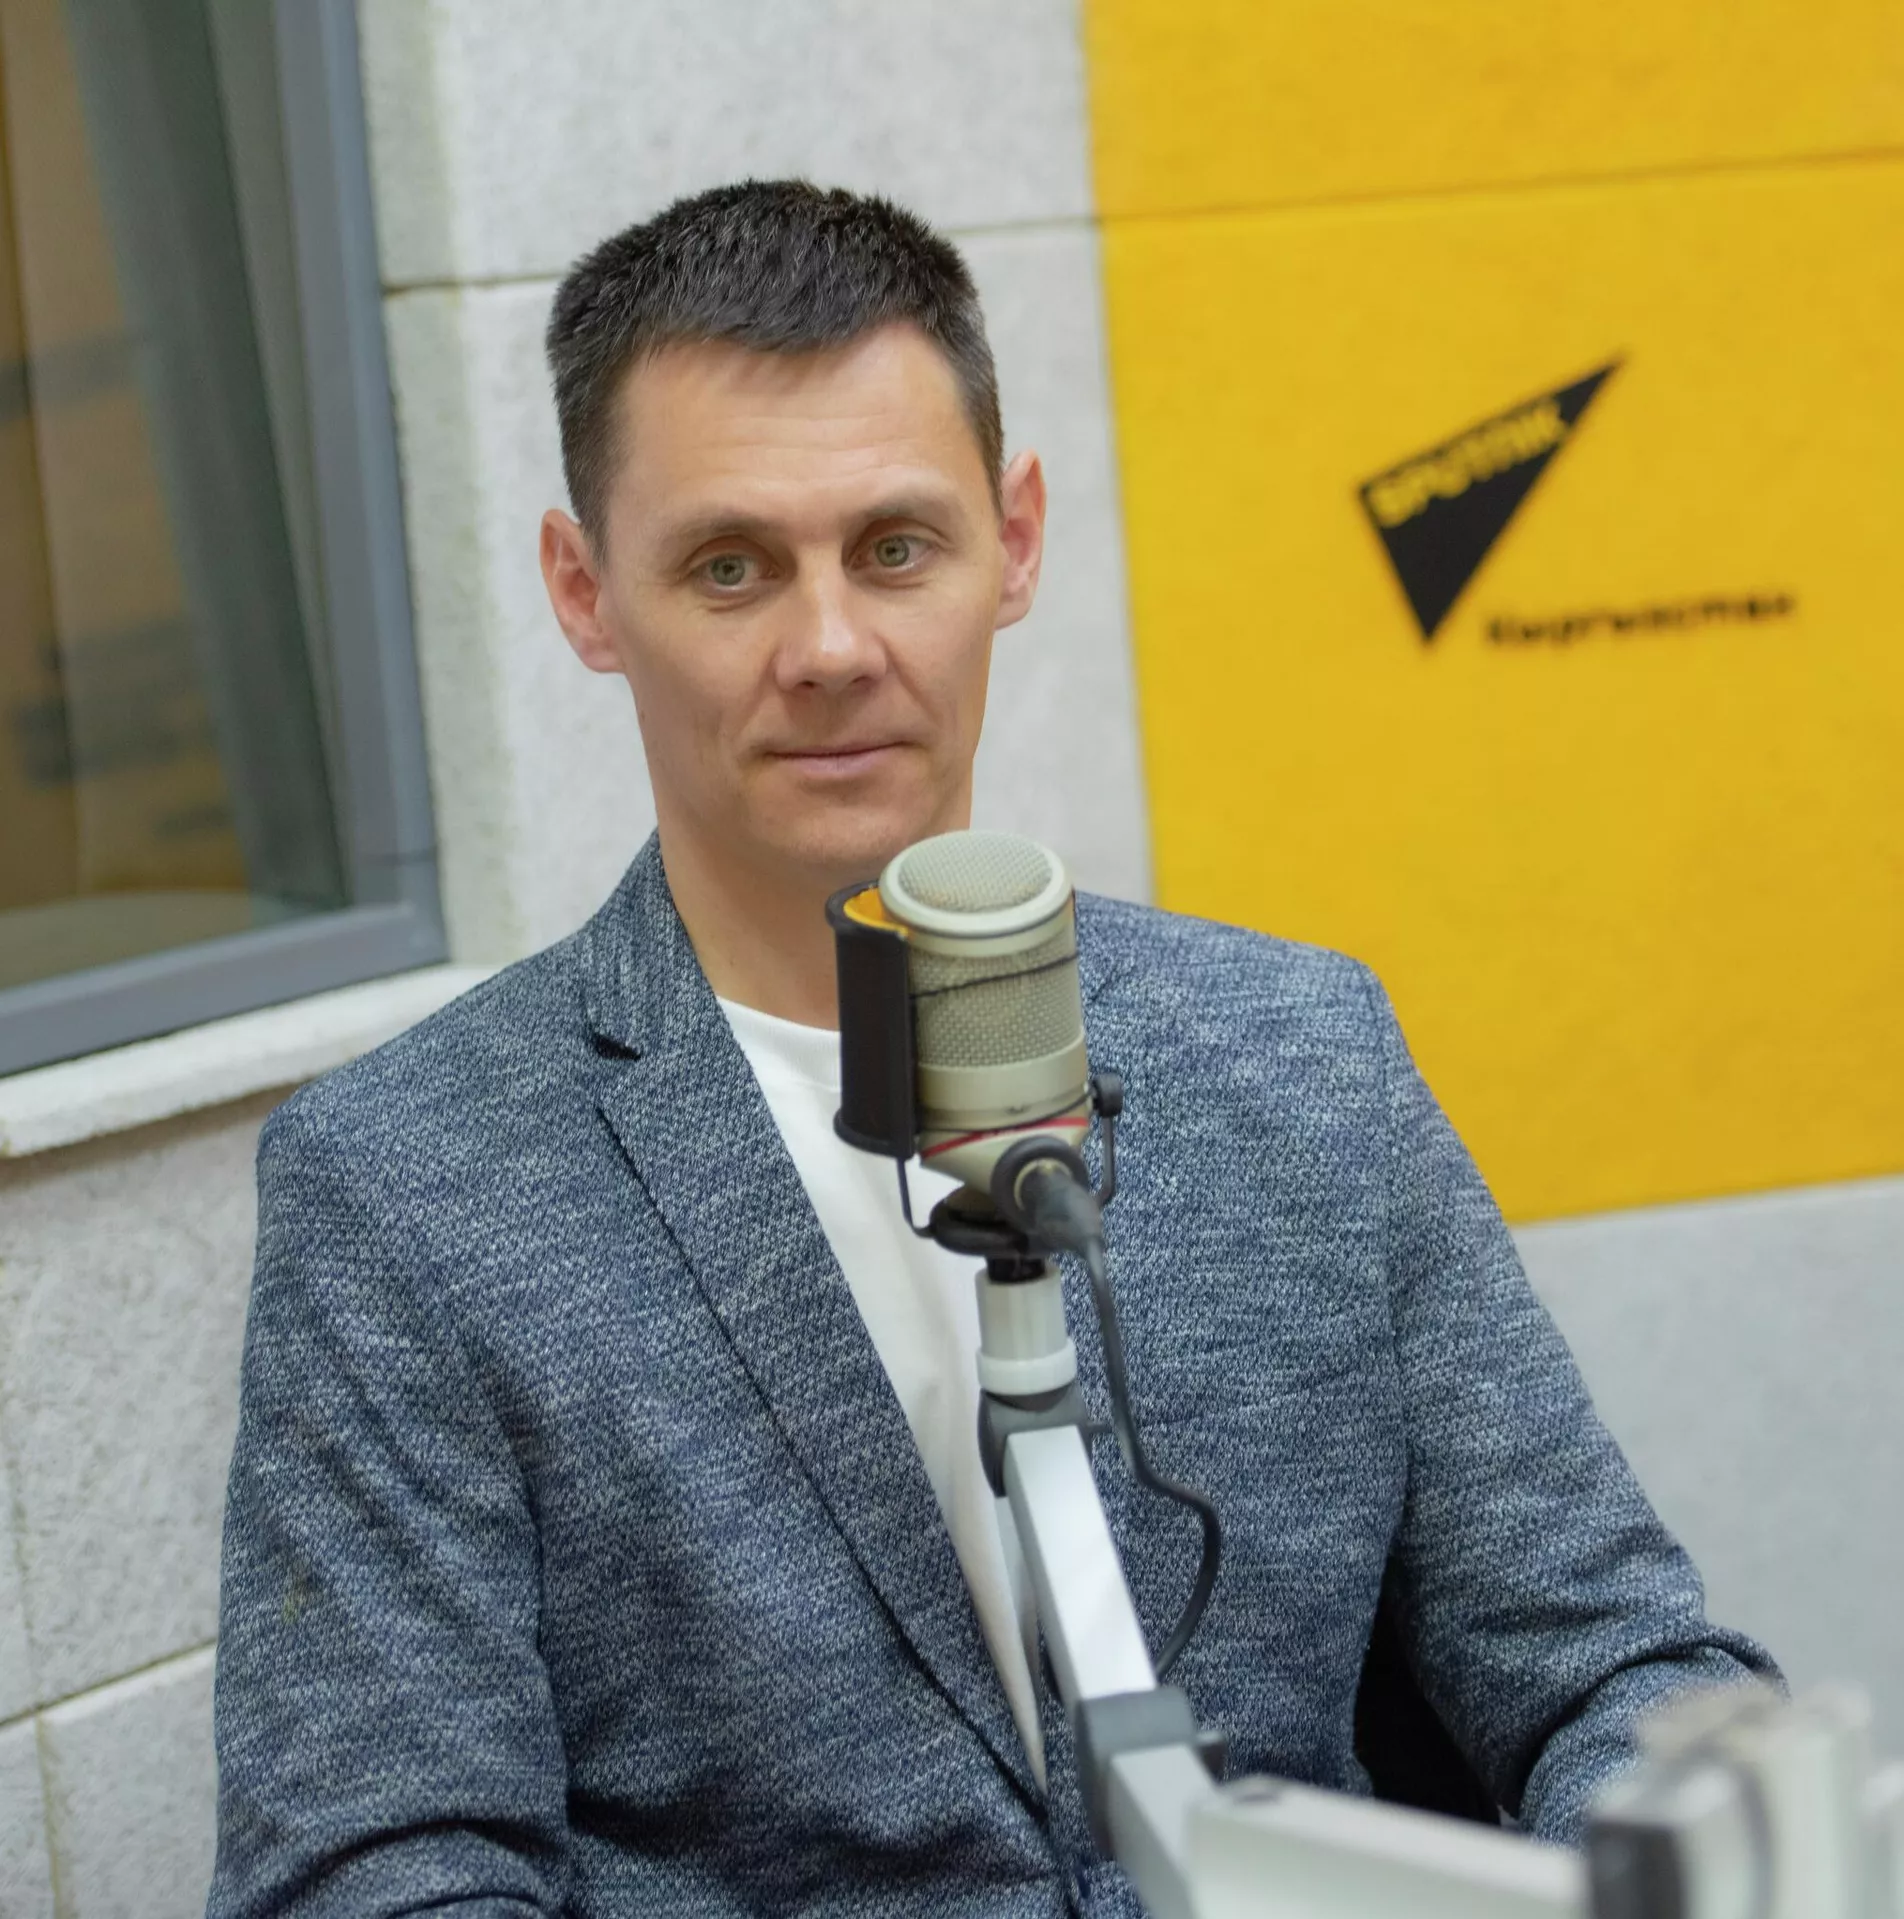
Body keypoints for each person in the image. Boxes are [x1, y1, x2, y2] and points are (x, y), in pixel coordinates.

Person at [207, 180, 1775, 1918]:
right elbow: (372, 1877)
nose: (830, 649)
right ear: (586, 594)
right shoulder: (409, 1188)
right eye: (730, 568)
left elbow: (1612, 1661)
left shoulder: (1304, 1056)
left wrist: (1705, 1851)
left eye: (896, 548)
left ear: (1014, 543)